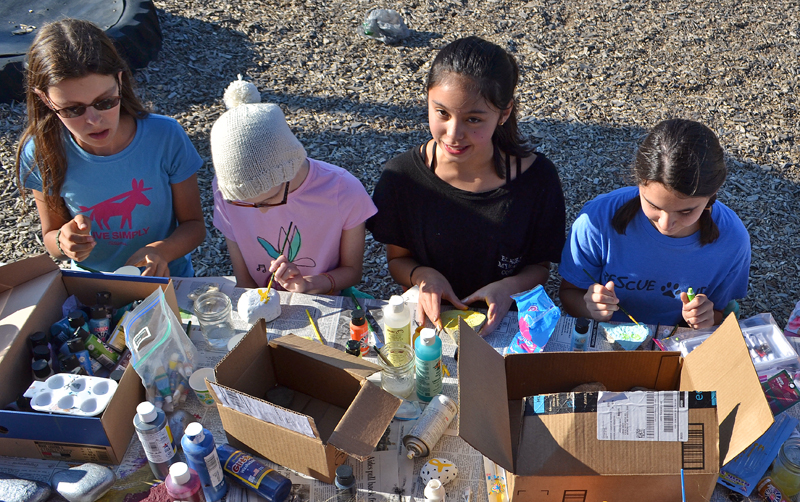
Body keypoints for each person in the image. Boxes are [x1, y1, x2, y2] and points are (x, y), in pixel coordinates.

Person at [367, 36, 566, 335]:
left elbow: (539, 268)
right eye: (442, 113)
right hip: (428, 327)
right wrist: (423, 277)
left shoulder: (537, 179)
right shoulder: (401, 177)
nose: (453, 133)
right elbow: (398, 260)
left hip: (506, 325)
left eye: (473, 119)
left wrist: (507, 288)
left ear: (505, 113)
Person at [15, 19, 205, 277]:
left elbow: (194, 225)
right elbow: (51, 237)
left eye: (104, 102)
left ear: (119, 80)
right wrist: (64, 240)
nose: (93, 120)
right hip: (92, 287)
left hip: (169, 281)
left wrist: (163, 251)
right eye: (73, 109)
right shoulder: (42, 152)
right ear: (45, 99)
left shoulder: (165, 136)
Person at [559, 119, 750, 329]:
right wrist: (590, 308)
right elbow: (569, 293)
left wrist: (704, 317)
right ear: (639, 183)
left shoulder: (732, 240)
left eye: (686, 211)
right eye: (653, 206)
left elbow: (719, 312)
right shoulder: (597, 220)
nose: (666, 225)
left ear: (713, 193)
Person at [211, 77, 377, 293]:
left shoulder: (343, 190)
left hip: (326, 297)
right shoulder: (225, 192)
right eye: (244, 202)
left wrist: (309, 284)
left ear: (290, 166)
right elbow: (245, 282)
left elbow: (352, 271)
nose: (262, 211)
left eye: (269, 199)